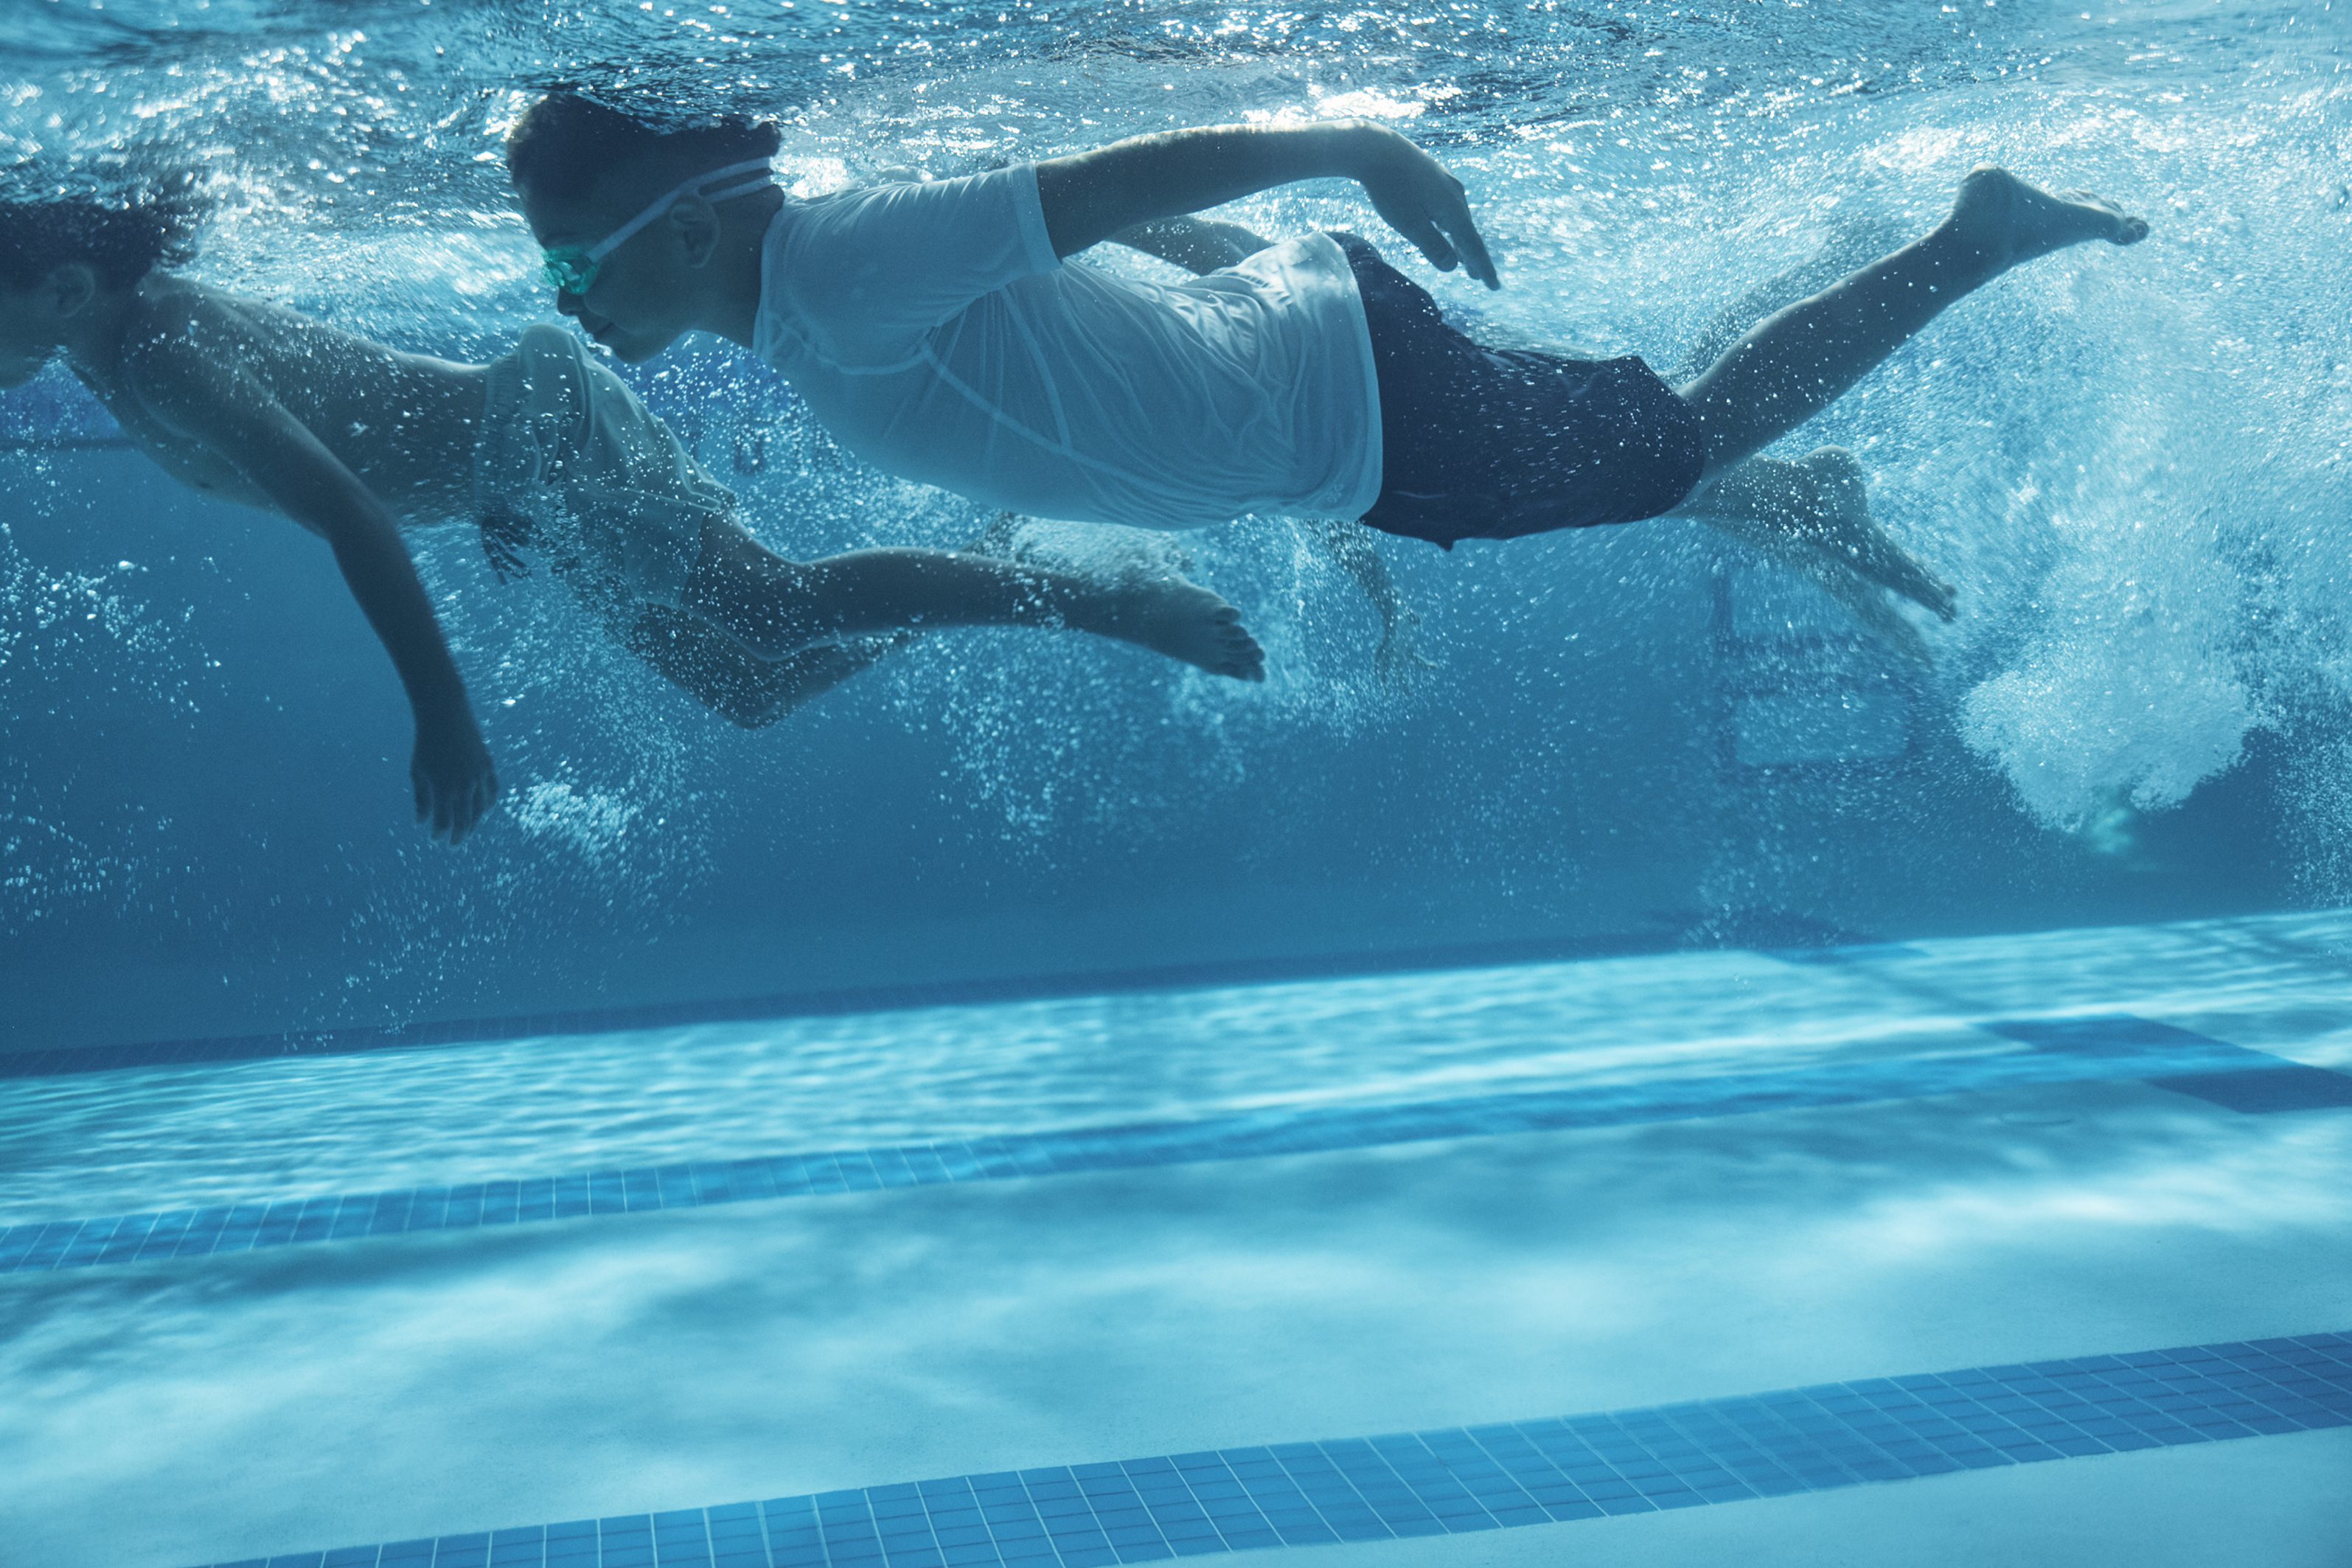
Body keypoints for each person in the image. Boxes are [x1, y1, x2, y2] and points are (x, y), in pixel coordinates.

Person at [505, 96, 2146, 651]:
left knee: (1672, 445)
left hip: (1361, 415)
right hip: (1321, 390)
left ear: (691, 230)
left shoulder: (836, 265)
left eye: (573, 261)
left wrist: (1353, 145)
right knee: (1662, 436)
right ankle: (1796, 491)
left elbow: (1089, 194)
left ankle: (1971, 239)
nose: (564, 298)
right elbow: (1096, 311)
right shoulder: (804, 299)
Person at [0, 182, 1270, 844]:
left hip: (538, 430)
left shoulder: (158, 344)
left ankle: (1108, 605)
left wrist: (443, 712)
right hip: (521, 475)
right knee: (753, 686)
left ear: (63, 285)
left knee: (768, 608)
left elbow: (355, 517)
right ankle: (1006, 554)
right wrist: (501, 497)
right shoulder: (98, 345)